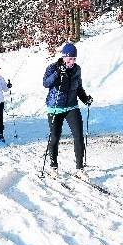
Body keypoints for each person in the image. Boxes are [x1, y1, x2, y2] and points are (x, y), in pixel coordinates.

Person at [42, 43, 93, 180]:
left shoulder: (77, 69)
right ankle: (53, 166)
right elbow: (46, 83)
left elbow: (78, 88)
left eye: (74, 59)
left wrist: (85, 99)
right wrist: (58, 73)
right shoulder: (52, 67)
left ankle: (80, 168)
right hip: (55, 107)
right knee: (55, 137)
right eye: (69, 59)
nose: (71, 62)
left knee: (78, 136)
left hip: (71, 106)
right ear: (63, 57)